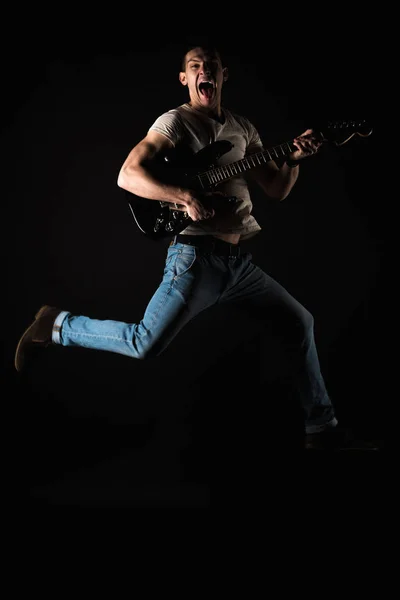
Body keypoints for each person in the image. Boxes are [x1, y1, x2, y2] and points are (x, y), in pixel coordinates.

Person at [14, 44, 371, 450]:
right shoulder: (175, 122)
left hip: (238, 266)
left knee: (299, 321)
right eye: (195, 66)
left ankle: (321, 430)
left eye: (212, 67)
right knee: (143, 343)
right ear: (185, 78)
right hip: (195, 259)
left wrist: (295, 157)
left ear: (222, 76)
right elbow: (128, 174)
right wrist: (184, 196)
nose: (205, 72)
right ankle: (56, 325)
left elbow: (277, 188)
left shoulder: (242, 128)